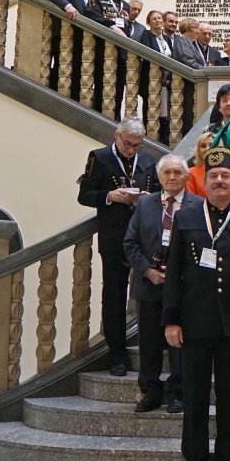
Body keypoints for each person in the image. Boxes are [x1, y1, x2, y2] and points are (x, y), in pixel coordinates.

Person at [163, 147, 230, 461]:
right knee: (194, 395)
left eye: (226, 176)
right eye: (213, 176)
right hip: (194, 323)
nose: (219, 181)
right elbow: (174, 273)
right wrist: (171, 320)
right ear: (203, 182)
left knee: (229, 397)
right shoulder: (187, 217)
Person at [76, 118, 159, 375]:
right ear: (116, 136)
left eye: (137, 145)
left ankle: (153, 348)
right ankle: (117, 355)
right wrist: (109, 196)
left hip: (144, 239)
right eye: (127, 144)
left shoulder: (147, 160)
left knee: (149, 294)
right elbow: (84, 195)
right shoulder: (99, 158)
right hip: (114, 237)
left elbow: (158, 193)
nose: (131, 150)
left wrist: (145, 200)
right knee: (114, 297)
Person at [123, 154, 194, 414]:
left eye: (178, 172)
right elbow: (130, 244)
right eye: (168, 173)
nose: (173, 177)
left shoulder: (198, 205)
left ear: (187, 177)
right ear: (160, 177)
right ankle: (151, 391)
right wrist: (148, 271)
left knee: (180, 343)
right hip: (150, 285)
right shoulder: (145, 205)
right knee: (149, 343)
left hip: (184, 289)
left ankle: (178, 393)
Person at [186, 132, 230, 205]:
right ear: (198, 150)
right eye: (203, 146)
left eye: (211, 145)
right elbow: (190, 201)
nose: (207, 149)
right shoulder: (191, 173)